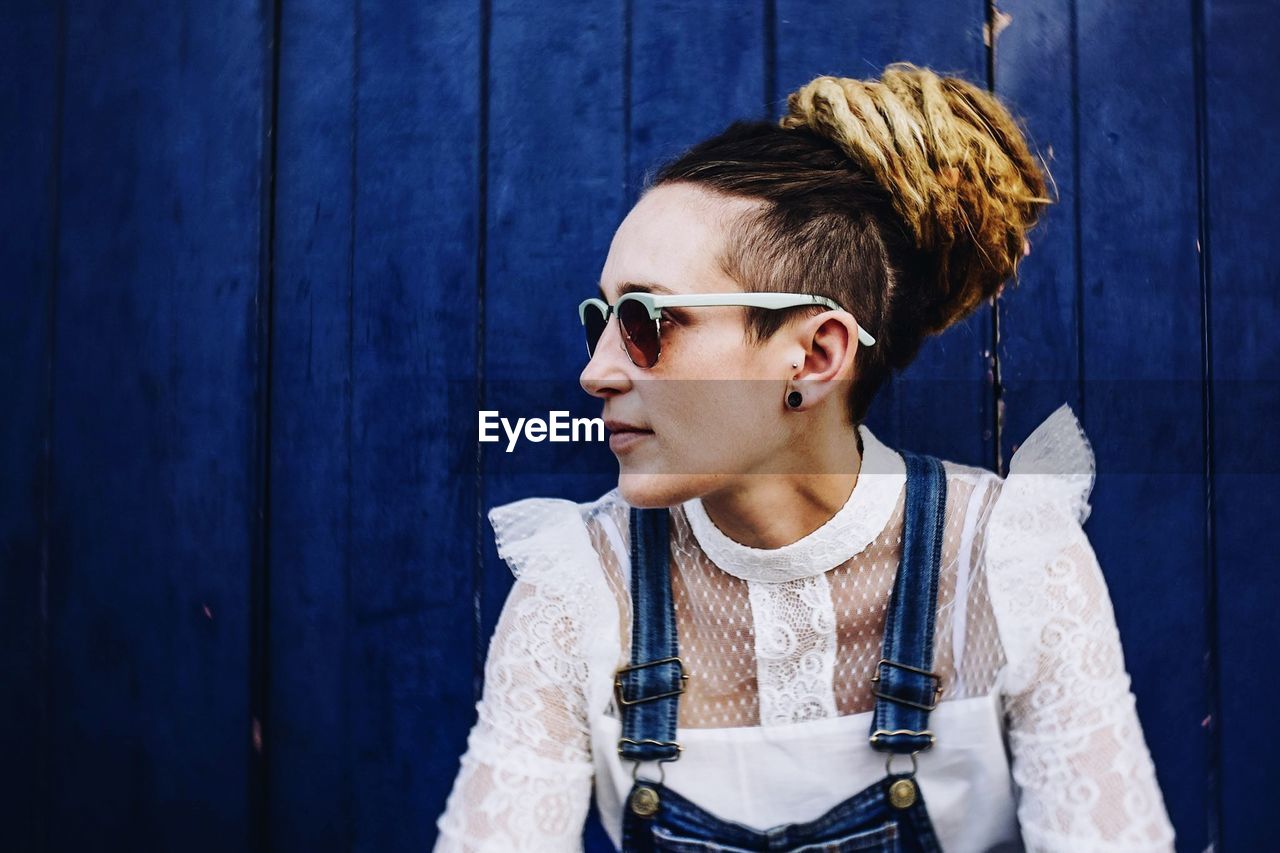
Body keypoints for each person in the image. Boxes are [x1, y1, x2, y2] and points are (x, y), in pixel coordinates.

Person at [434, 63, 1176, 851]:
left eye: (648, 320)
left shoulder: (1005, 560)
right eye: (602, 319)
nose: (597, 370)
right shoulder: (582, 587)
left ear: (816, 355)